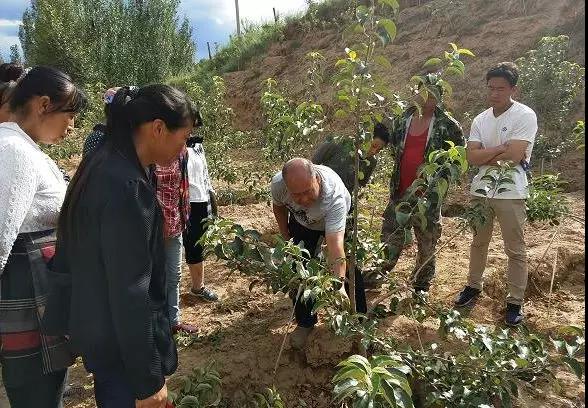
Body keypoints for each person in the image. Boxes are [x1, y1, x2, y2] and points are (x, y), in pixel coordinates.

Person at [42, 85, 199, 407]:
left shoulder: (100, 163)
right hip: (123, 353)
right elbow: (131, 292)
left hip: (101, 336)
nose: (183, 150)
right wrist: (148, 380)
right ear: (157, 128)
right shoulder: (126, 187)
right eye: (183, 139)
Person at [0, 66, 87, 408]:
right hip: (26, 292)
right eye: (70, 114)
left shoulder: (22, 146)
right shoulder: (14, 152)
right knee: (36, 394)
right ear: (43, 105)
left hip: (38, 289)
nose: (72, 125)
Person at [455, 62, 537, 326]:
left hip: (512, 192)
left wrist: (488, 154)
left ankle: (514, 302)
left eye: (500, 89)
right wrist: (500, 149)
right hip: (481, 191)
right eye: (491, 88)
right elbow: (471, 156)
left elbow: (514, 156)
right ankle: (473, 286)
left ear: (513, 89)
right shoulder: (481, 119)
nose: (494, 94)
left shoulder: (524, 115)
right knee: (478, 242)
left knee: (515, 249)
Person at [379, 76, 465, 294]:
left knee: (427, 242)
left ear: (440, 98)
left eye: (434, 94)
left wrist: (439, 184)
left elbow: (458, 159)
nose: (428, 99)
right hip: (400, 190)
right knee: (390, 236)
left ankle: (421, 284)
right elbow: (391, 146)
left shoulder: (448, 126)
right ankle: (379, 273)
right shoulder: (401, 120)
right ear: (417, 93)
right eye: (424, 92)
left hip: (428, 196)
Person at [270, 158, 367, 350]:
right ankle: (305, 322)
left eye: (308, 191)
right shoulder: (279, 185)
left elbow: (335, 245)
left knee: (348, 268)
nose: (304, 199)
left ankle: (358, 320)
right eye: (297, 195)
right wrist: (285, 235)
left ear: (318, 180)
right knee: (298, 267)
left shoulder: (334, 197)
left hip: (335, 220)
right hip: (303, 221)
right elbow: (279, 207)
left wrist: (337, 285)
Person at [182, 134, 219, 306]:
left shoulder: (197, 145)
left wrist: (211, 198)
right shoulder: (170, 144)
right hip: (180, 200)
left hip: (200, 201)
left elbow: (205, 174)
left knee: (196, 243)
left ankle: (198, 287)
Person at [311, 121, 390, 193]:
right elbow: (312, 165)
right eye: (373, 146)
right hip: (321, 193)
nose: (374, 151)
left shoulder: (371, 162)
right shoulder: (338, 143)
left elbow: (361, 183)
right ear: (365, 138)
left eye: (378, 150)